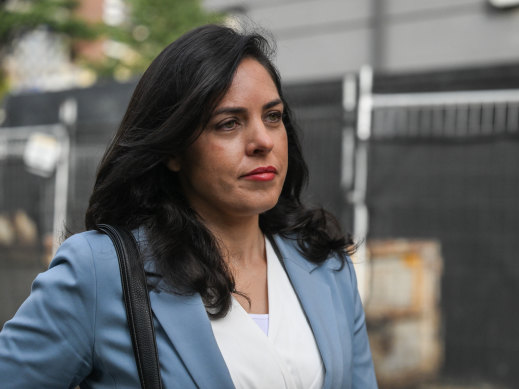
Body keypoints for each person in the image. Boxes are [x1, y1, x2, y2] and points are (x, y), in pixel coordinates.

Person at [0, 24, 377, 388]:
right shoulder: (100, 272)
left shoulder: (326, 266)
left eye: (273, 117)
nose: (263, 140)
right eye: (229, 123)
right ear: (175, 149)